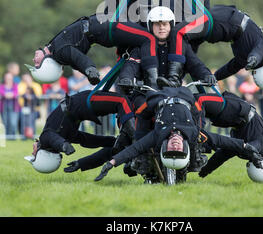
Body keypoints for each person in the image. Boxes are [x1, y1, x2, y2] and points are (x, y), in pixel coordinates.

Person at [94, 86, 263, 183]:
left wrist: (111, 163)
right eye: (179, 150)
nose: (175, 146)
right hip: (185, 95)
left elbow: (134, 148)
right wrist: (247, 148)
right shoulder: (194, 134)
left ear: (164, 149)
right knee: (197, 109)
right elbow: (221, 140)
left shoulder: (157, 136)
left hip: (157, 98)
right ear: (185, 149)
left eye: (170, 150)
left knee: (139, 130)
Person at [25, 15, 163, 87]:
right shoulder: (60, 52)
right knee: (148, 38)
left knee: (144, 35)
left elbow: (76, 62)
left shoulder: (54, 47)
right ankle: (153, 80)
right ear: (46, 66)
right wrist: (90, 71)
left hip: (102, 24)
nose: (33, 60)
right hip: (106, 29)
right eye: (36, 65)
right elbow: (79, 60)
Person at [24, 88, 136, 174]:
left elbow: (85, 140)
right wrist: (64, 146)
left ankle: (136, 141)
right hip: (83, 103)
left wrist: (64, 146)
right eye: (34, 155)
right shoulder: (45, 139)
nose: (33, 152)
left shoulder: (62, 136)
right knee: (123, 101)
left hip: (83, 105)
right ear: (43, 156)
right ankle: (137, 141)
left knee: (127, 101)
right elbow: (86, 140)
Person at [181, 4, 263, 90]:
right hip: (226, 22)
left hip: (224, 22)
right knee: (184, 36)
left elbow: (229, 69)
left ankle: (179, 75)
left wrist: (215, 77)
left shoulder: (244, 61)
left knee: (188, 45)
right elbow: (259, 52)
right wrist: (253, 59)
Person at [194, 88, 263, 181]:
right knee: (197, 102)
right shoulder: (262, 147)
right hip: (235, 113)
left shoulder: (255, 150)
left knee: (196, 103)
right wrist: (206, 170)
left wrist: (206, 170)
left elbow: (223, 154)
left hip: (234, 112)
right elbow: (251, 147)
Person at [18, 73, 43, 139]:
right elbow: (20, 93)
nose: (26, 80)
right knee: (24, 122)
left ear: (31, 78)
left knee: (32, 122)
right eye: (25, 78)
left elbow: (38, 94)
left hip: (33, 107)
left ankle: (32, 136)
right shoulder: (21, 85)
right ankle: (23, 136)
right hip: (24, 107)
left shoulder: (36, 85)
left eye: (27, 78)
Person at [0, 72, 20, 138]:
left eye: (9, 78)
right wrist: (7, 94)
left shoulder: (15, 85)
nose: (8, 79)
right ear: (5, 78)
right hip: (3, 107)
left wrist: (8, 95)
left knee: (13, 123)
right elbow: (2, 92)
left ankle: (13, 137)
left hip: (14, 107)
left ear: (12, 78)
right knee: (5, 122)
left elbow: (16, 93)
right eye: (7, 78)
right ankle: (7, 137)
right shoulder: (1, 86)